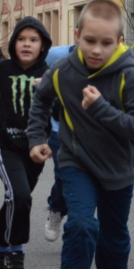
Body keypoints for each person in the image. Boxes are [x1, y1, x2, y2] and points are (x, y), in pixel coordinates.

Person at [27, 0, 134, 269]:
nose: (97, 49)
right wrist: (37, 138)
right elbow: (40, 100)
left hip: (118, 169)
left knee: (113, 239)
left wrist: (100, 108)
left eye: (106, 43)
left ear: (119, 41)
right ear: (77, 35)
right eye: (90, 41)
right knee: (81, 225)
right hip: (76, 160)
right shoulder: (64, 70)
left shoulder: (127, 75)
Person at [0, 17, 52, 269]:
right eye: (21, 39)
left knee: (18, 199)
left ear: (43, 45)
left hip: (35, 149)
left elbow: (62, 109)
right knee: (19, 195)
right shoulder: (3, 69)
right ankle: (14, 249)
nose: (26, 44)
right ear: (13, 43)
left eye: (33, 40)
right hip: (4, 144)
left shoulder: (50, 73)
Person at [40, 44, 76, 242]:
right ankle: (56, 209)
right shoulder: (55, 55)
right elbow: (42, 90)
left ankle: (76, 226)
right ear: (78, 35)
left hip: (90, 135)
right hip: (58, 129)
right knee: (64, 177)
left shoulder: (109, 59)